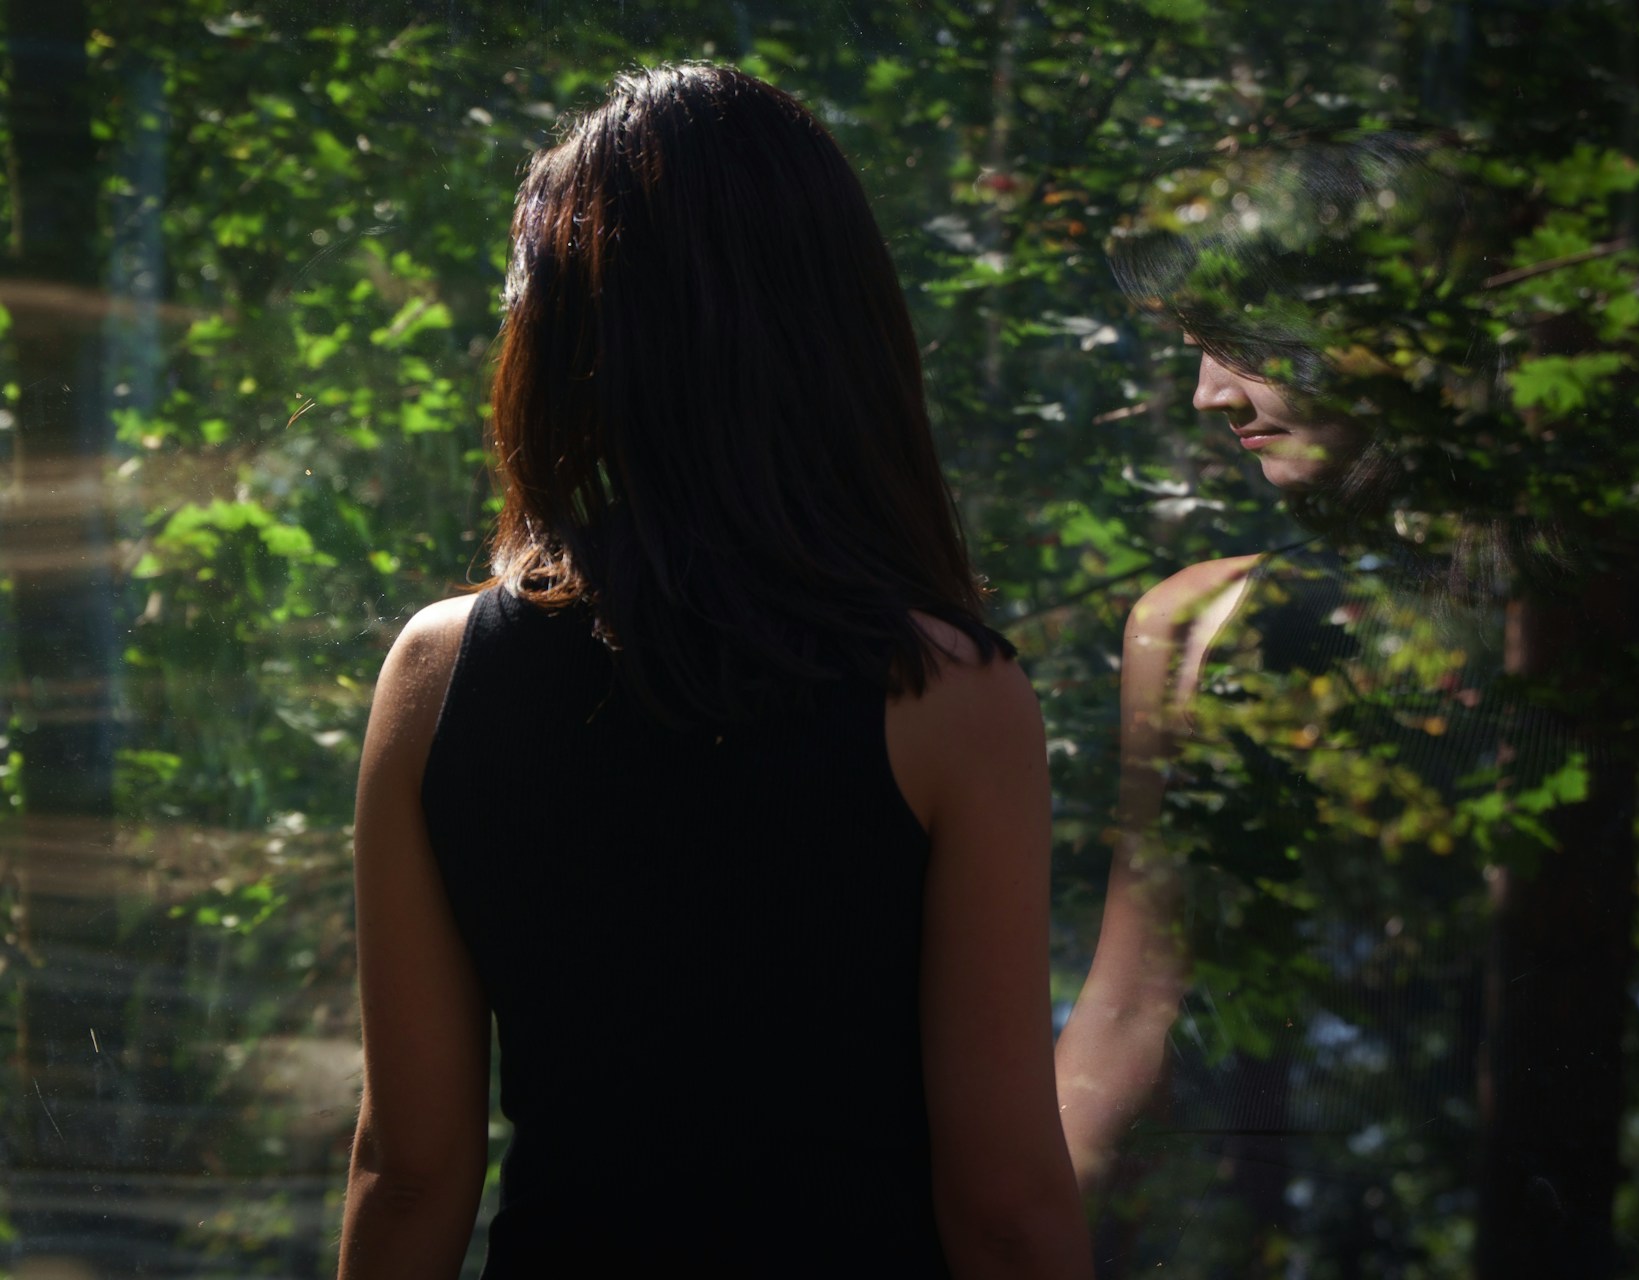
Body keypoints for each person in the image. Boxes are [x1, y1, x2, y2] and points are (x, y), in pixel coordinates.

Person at [336, 64, 1091, 1278]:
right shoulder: (949, 693)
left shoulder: (438, 672)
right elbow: (1004, 1205)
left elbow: (411, 1167)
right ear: (841, 331)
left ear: (564, 340)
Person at [1054, 140, 1618, 1274]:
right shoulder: (1202, 627)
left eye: (1242, 343)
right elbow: (1129, 1016)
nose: (1211, 394)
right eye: (1196, 348)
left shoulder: (1627, 621)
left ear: (1393, 324)